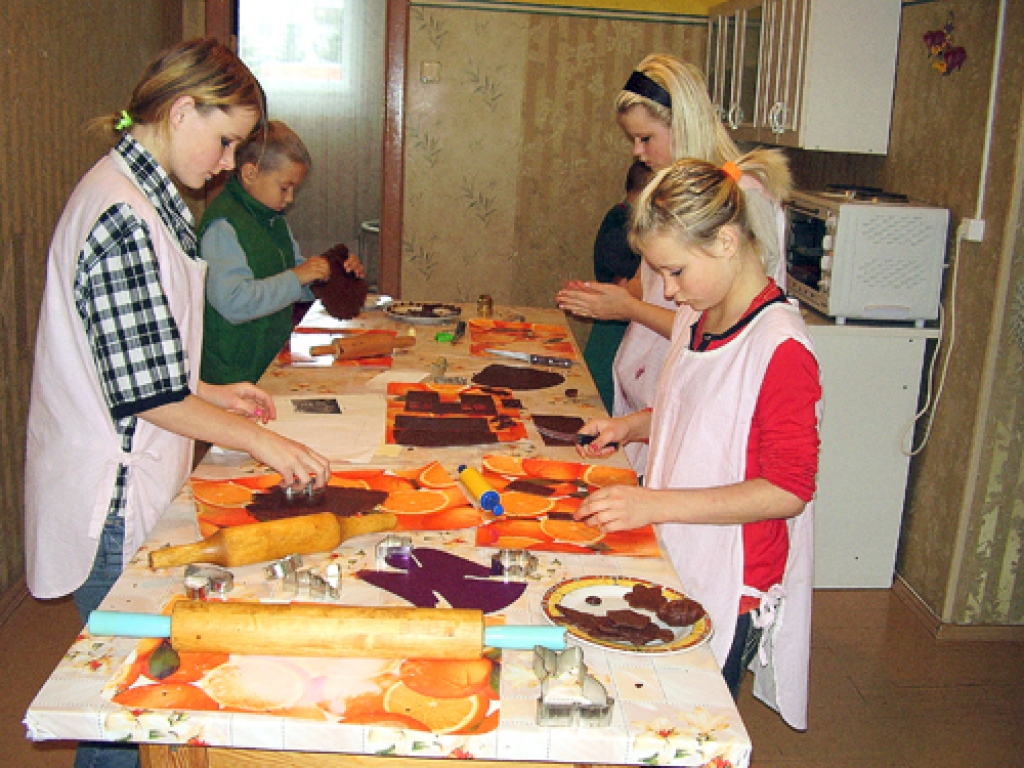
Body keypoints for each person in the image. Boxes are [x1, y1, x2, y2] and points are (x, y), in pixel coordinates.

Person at [23, 42, 332, 768]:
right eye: (225, 140)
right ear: (182, 109)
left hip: (133, 466)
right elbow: (145, 392)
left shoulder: (150, 197)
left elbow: (142, 358)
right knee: (130, 703)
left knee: (137, 690)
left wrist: (214, 393)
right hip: (106, 493)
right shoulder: (122, 212)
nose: (228, 162)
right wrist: (261, 443)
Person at [573, 152, 821, 731]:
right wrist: (630, 427)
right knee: (656, 705)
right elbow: (698, 410)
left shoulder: (781, 350)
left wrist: (653, 503)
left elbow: (787, 490)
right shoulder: (699, 313)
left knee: (696, 724)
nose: (665, 288)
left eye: (675, 271)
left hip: (733, 576)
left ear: (728, 243)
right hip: (678, 544)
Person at [556, 53, 788, 474]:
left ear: (683, 123)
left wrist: (626, 309)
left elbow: (725, 330)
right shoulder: (668, 191)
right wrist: (612, 297)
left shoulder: (741, 197)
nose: (637, 151)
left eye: (646, 138)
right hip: (649, 406)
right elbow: (652, 289)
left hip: (692, 412)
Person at [199, 120, 365, 384]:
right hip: (232, 373)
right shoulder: (224, 226)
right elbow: (232, 302)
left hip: (268, 360)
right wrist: (298, 276)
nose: (290, 199)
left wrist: (332, 275)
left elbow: (291, 285)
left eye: (294, 190)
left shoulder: (273, 220)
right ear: (250, 173)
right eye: (285, 187)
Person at [581, 160, 652, 412]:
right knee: (603, 404)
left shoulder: (621, 216)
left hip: (619, 318)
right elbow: (624, 281)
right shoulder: (622, 222)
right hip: (614, 327)